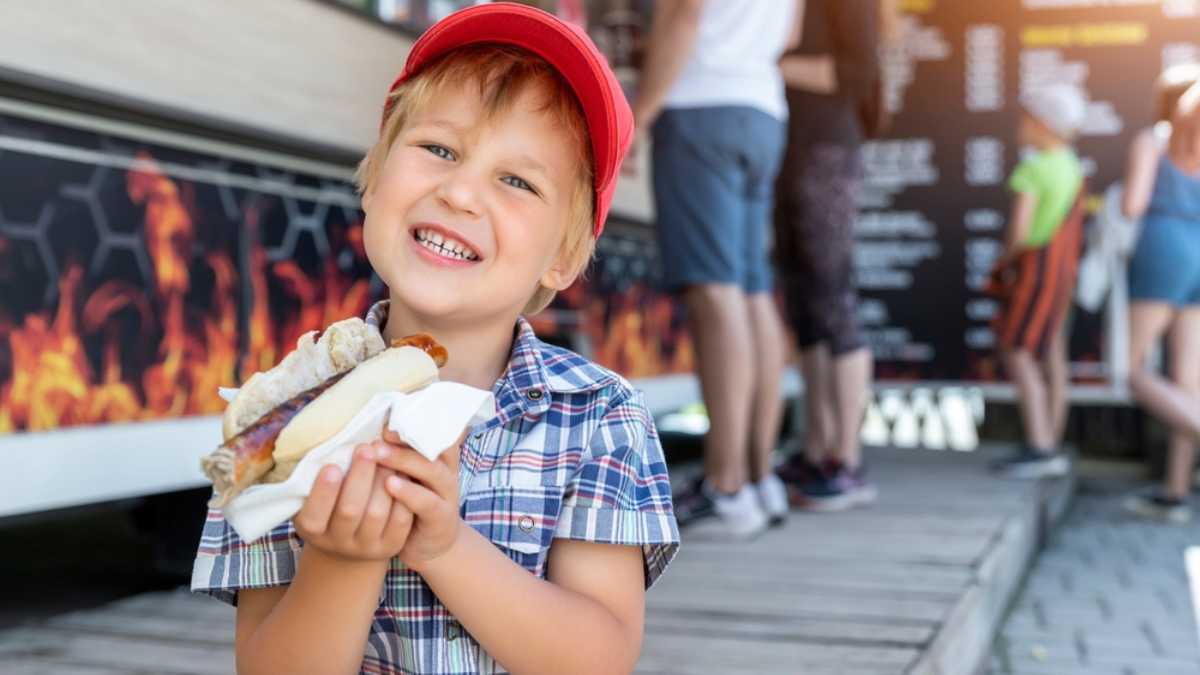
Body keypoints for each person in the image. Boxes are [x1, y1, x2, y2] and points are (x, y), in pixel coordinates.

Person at [191, 5, 679, 674]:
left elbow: (599, 657)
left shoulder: (598, 417)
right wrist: (344, 557)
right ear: (374, 176)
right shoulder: (277, 422)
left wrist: (444, 547)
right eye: (439, 149)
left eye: (517, 181)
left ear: (561, 260)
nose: (461, 193)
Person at [629, 0, 802, 539]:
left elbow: (683, 12)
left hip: (701, 105)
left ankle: (725, 484)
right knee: (750, 290)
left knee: (716, 293)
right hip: (762, 111)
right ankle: (757, 477)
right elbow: (790, 32)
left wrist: (641, 115)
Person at [772, 0, 889, 511]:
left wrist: (770, 65)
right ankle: (818, 448)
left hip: (828, 149)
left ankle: (848, 461)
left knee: (833, 295)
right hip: (787, 146)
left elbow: (859, 69)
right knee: (805, 303)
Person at [986, 85, 1087, 478]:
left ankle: (1040, 447)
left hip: (1034, 275)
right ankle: (1052, 438)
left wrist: (1005, 261)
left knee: (1017, 350)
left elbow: (1019, 233)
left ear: (1043, 124)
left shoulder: (1032, 169)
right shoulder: (1073, 168)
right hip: (1063, 276)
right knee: (1053, 352)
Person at [1120, 64, 1200, 523]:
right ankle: (1175, 491)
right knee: (1187, 380)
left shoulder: (1154, 140)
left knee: (1130, 369)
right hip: (1198, 250)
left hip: (1165, 248)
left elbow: (1133, 204)